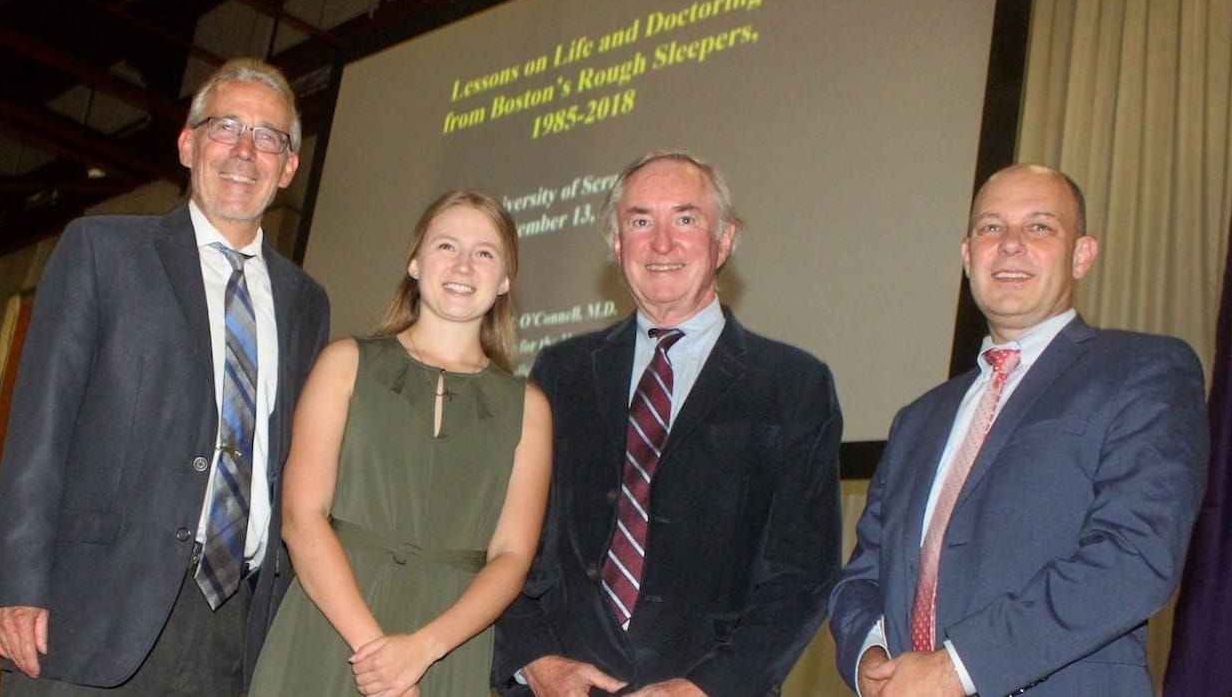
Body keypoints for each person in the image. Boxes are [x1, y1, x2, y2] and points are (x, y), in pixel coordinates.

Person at [0, 57, 331, 695]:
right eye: (225, 127)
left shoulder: (307, 302)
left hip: (232, 632)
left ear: (289, 168)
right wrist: (14, 584)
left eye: (269, 136)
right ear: (188, 144)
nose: (245, 150)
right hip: (86, 616)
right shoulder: (100, 252)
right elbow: (39, 430)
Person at [828, 163, 1209, 696]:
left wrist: (955, 667)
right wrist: (870, 656)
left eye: (1039, 227)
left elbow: (1136, 555)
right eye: (991, 227)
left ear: (1082, 255)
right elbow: (864, 573)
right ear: (967, 256)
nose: (1010, 245)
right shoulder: (918, 419)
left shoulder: (1143, 371)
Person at [492, 150, 843, 696]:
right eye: (640, 222)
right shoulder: (559, 371)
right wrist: (534, 658)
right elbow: (506, 535)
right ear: (616, 245)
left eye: (685, 219)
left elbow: (802, 579)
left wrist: (708, 688)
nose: (661, 244)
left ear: (725, 240)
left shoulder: (794, 385)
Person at [247, 190, 551, 696]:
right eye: (446, 246)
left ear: (504, 281)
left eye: (484, 253)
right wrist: (379, 655)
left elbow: (512, 556)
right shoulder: (344, 363)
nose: (463, 265)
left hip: (447, 650)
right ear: (414, 262)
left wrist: (422, 649)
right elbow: (302, 519)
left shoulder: (529, 408)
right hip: (329, 630)